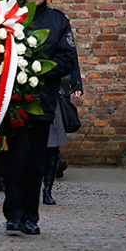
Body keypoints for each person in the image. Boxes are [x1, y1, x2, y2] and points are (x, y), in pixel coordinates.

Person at [2, 0, 78, 235]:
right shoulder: (10, 17)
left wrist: (37, 69)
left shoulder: (58, 21)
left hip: (42, 103)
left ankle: (30, 217)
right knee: (14, 160)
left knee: (35, 162)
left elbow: (68, 59)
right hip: (12, 103)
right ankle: (12, 214)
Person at [44, 66, 83, 205]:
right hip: (34, 89)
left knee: (53, 144)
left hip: (57, 91)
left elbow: (70, 55)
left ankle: (47, 190)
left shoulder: (62, 43)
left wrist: (77, 82)